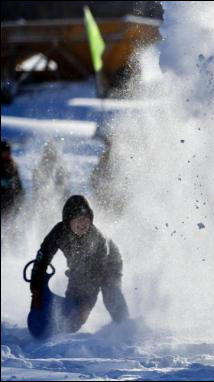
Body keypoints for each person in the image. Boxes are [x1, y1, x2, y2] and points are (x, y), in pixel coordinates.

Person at [30, 195, 129, 333]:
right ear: (68, 221)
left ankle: (125, 326)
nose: (83, 224)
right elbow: (44, 255)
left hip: (109, 262)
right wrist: (36, 285)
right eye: (78, 220)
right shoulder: (59, 232)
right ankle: (63, 322)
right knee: (73, 312)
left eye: (86, 219)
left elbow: (93, 278)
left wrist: (85, 305)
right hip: (80, 268)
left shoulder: (97, 238)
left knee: (110, 292)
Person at [32, 140, 69, 206]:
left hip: (58, 196)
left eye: (49, 152)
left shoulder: (59, 165)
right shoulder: (41, 165)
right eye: (46, 152)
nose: (47, 154)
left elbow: (63, 182)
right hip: (43, 197)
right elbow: (36, 181)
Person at [1, 140, 24, 220]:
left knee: (10, 219)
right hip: (3, 197)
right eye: (5, 151)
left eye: (8, 151)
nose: (7, 153)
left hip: (10, 198)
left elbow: (18, 181)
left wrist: (21, 194)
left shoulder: (12, 164)